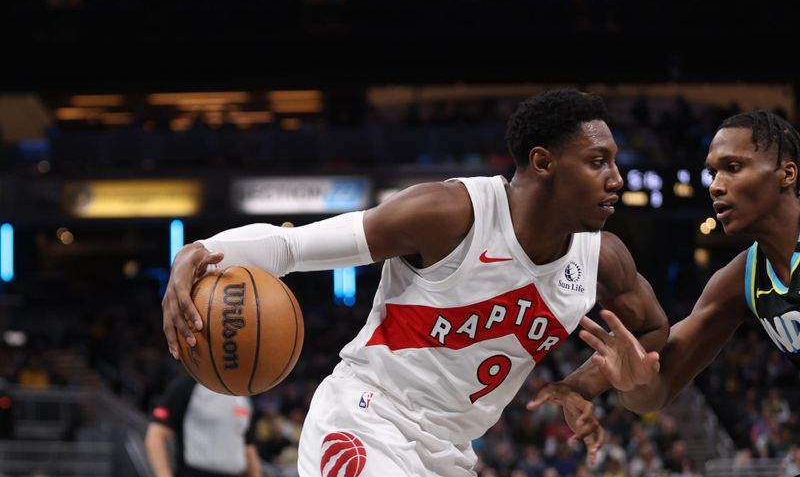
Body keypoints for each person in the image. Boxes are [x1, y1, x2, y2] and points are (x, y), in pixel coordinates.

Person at [162, 89, 669, 476]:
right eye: (598, 161)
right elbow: (294, 248)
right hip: (364, 422)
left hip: (450, 454)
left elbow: (653, 330)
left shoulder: (604, 260)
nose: (617, 178)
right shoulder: (449, 214)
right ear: (543, 162)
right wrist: (201, 252)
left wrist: (585, 383)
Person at [578, 109, 800, 413]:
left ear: (787, 174)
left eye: (733, 167)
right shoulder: (742, 278)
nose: (715, 186)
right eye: (712, 173)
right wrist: (633, 381)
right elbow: (657, 391)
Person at [144, 371, 263, 477]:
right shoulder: (187, 385)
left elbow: (248, 448)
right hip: (193, 472)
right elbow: (155, 435)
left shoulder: (243, 396)